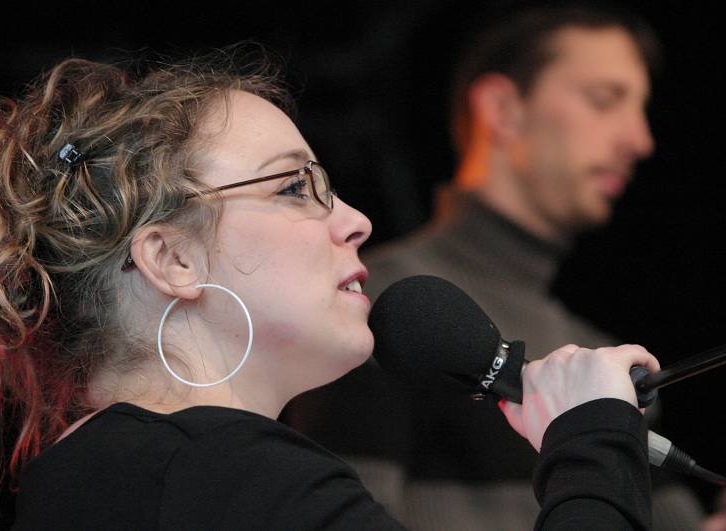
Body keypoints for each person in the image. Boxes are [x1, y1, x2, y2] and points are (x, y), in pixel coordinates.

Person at [0, 50, 658, 530]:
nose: (356, 220)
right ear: (171, 257)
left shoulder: (114, 474)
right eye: (292, 186)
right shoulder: (229, 473)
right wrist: (590, 442)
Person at [284, 4, 707, 530]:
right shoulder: (378, 306)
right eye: (604, 101)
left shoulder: (591, 348)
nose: (639, 140)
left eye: (641, 109)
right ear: (502, 108)